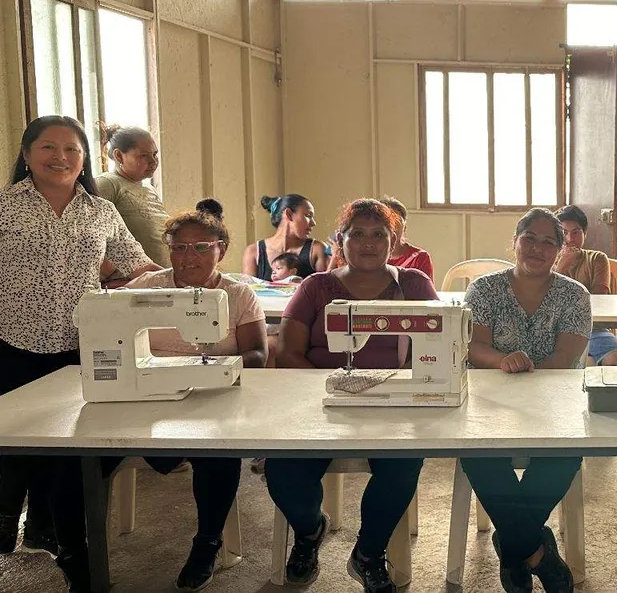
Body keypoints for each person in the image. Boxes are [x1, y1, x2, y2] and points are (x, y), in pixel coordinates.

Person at [0, 116, 158, 590]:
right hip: (11, 345)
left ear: (85, 159)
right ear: (26, 155)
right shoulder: (4, 209)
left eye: (72, 149)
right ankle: (10, 518)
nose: (61, 158)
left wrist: (190, 279)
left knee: (71, 449)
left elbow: (137, 265)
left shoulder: (100, 212)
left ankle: (62, 539)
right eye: (48, 148)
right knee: (14, 445)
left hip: (78, 349)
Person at [268, 199, 437, 593]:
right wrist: (329, 391)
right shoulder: (316, 287)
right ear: (340, 241)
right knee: (282, 467)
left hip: (392, 402)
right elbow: (287, 352)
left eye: (380, 235)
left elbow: (439, 345)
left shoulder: (413, 285)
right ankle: (310, 532)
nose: (368, 243)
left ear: (394, 243)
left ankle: (368, 553)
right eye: (357, 234)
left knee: (404, 463)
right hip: (320, 399)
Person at [119, 198, 266, 590]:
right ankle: (76, 548)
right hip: (150, 395)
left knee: (219, 454)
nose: (189, 256)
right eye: (179, 247)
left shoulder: (238, 294)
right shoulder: (146, 289)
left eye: (202, 246)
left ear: (221, 249)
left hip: (213, 395)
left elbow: (256, 353)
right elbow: (111, 329)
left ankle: (207, 543)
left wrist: (216, 369)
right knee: (85, 452)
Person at [462, 208, 590, 592]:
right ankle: (535, 551)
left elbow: (566, 358)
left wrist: (530, 377)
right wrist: (503, 360)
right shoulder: (484, 290)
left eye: (548, 241)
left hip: (555, 405)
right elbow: (474, 346)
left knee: (566, 451)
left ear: (560, 249)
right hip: (492, 404)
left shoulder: (575, 296)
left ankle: (512, 543)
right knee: (476, 452)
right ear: (515, 242)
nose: (537, 248)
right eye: (529, 239)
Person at [553, 204, 617, 366]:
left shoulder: (597, 259)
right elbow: (543, 302)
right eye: (563, 233)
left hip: (591, 328)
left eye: (576, 232)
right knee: (584, 366)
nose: (569, 239)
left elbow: (598, 300)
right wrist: (561, 268)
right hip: (553, 331)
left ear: (585, 234)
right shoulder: (545, 260)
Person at [94, 124, 171, 267]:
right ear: (118, 156)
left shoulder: (149, 189)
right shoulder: (107, 184)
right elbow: (90, 236)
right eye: (143, 156)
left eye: (155, 154)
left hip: (156, 280)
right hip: (128, 284)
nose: (153, 162)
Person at [242, 194, 327, 280]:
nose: (313, 223)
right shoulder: (253, 252)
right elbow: (247, 291)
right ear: (289, 214)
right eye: (308, 215)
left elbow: (326, 288)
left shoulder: (317, 249)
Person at [380, 197, 434, 281]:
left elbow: (425, 292)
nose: (392, 227)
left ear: (405, 227)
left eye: (396, 221)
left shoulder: (419, 257)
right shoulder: (367, 257)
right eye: (386, 221)